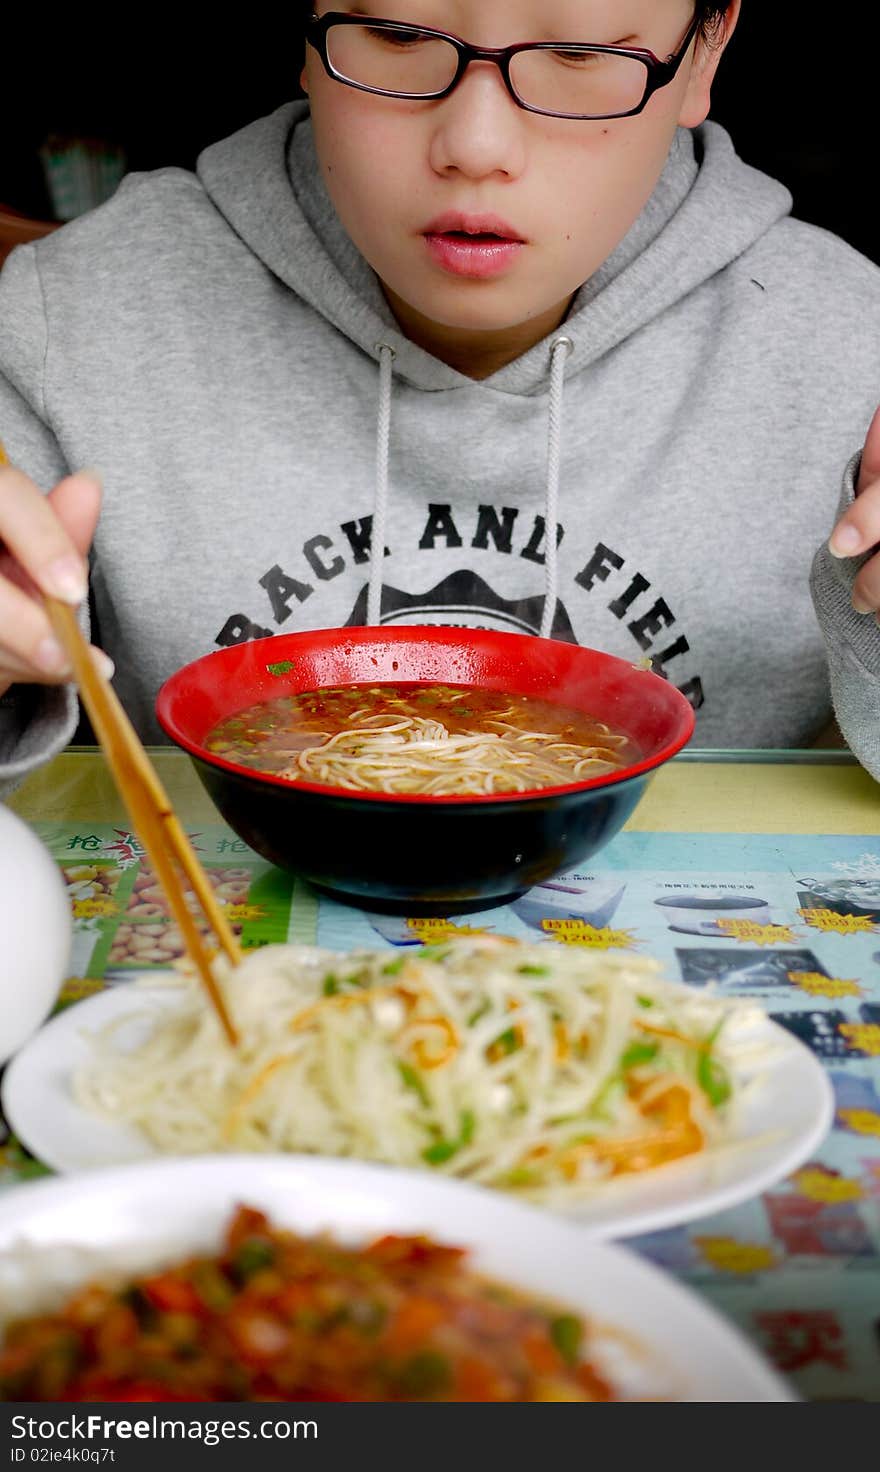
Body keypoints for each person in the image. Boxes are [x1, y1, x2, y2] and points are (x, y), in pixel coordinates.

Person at [0, 0, 879, 792]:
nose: (476, 148)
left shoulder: (853, 351)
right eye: (398, 37)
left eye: (575, 53)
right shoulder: (68, 320)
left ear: (704, 52)